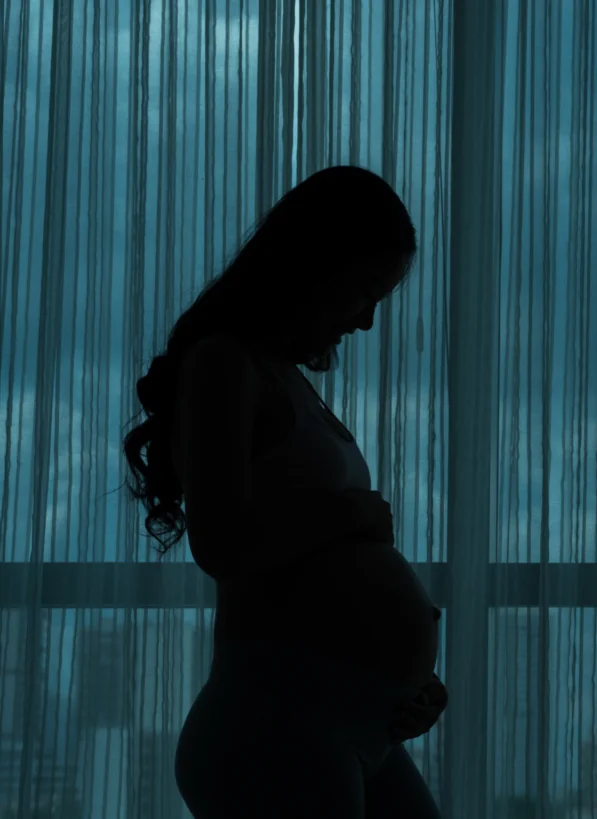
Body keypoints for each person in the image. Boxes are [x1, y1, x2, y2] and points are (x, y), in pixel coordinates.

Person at [122, 165, 447, 818]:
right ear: (312, 266)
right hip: (278, 724)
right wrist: (349, 512)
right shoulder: (224, 363)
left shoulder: (285, 378)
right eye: (363, 293)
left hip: (352, 725)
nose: (366, 323)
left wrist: (406, 682)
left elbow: (314, 581)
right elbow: (222, 542)